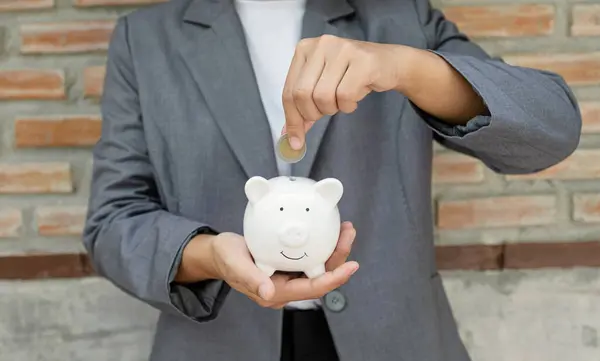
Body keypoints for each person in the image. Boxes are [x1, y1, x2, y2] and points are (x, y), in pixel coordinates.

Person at [82, 0, 582, 360]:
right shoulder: (146, 40)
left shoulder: (398, 17)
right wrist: (210, 254)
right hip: (220, 338)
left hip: (394, 338)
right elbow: (111, 223)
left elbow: (553, 129)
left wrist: (404, 66)